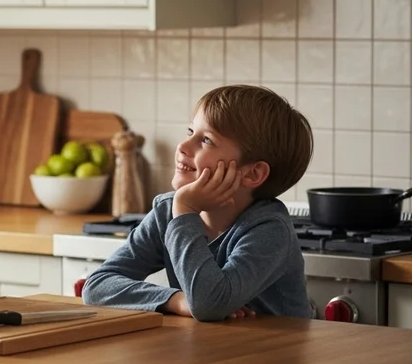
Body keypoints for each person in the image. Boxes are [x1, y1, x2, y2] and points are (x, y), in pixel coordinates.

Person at [82, 85, 314, 321]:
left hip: (275, 354)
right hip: (213, 352)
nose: (183, 147)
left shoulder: (270, 230)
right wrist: (176, 300)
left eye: (206, 140)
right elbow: (97, 286)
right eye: (190, 131)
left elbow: (207, 304)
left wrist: (185, 211)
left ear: (252, 174)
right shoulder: (168, 211)